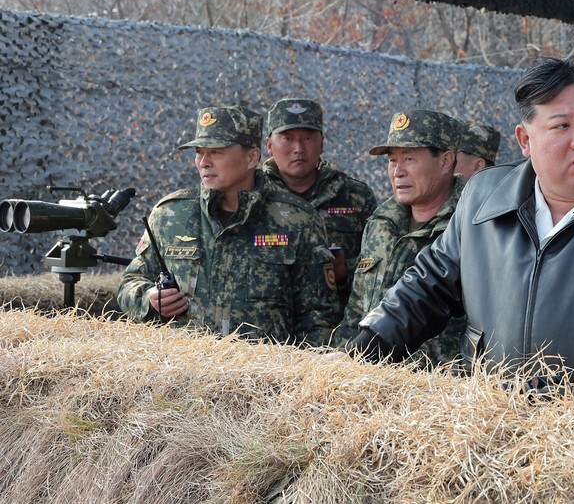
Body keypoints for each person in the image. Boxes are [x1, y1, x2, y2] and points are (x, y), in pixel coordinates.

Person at [347, 54, 574, 386]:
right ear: (525, 140)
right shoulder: (484, 195)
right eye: (561, 126)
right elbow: (427, 286)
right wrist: (361, 353)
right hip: (484, 417)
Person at [117, 105, 340, 346]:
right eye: (199, 153)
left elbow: (318, 317)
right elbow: (130, 282)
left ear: (251, 157)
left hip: (261, 368)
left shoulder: (296, 219)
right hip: (182, 367)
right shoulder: (170, 215)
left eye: (216, 152)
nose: (204, 162)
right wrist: (148, 299)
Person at [332, 109, 465, 346]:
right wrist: (343, 358)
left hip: (436, 370)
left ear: (445, 161)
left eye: (409, 159)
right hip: (369, 364)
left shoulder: (469, 224)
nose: (398, 172)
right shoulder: (380, 224)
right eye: (392, 161)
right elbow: (356, 312)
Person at [262, 98, 377, 310]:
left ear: (322, 143)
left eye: (308, 138)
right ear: (269, 145)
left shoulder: (355, 196)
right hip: (272, 323)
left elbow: (379, 263)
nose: (298, 148)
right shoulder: (254, 196)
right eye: (287, 138)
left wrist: (345, 270)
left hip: (340, 321)